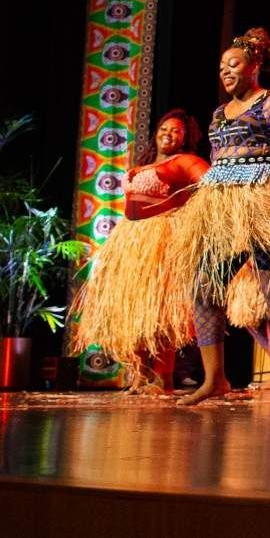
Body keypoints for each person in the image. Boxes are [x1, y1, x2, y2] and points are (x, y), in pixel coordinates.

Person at [167, 28, 270, 406]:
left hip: (265, 204)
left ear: (255, 65)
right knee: (205, 290)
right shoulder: (219, 113)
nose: (225, 70)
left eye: (233, 64)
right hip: (220, 210)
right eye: (221, 65)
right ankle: (214, 379)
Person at [71, 109, 209, 395]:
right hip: (130, 241)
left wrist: (186, 218)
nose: (168, 134)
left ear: (185, 138)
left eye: (176, 131)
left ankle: (163, 377)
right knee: (133, 310)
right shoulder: (142, 165)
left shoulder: (185, 161)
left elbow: (210, 184)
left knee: (159, 313)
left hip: (162, 239)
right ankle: (139, 376)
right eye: (164, 129)